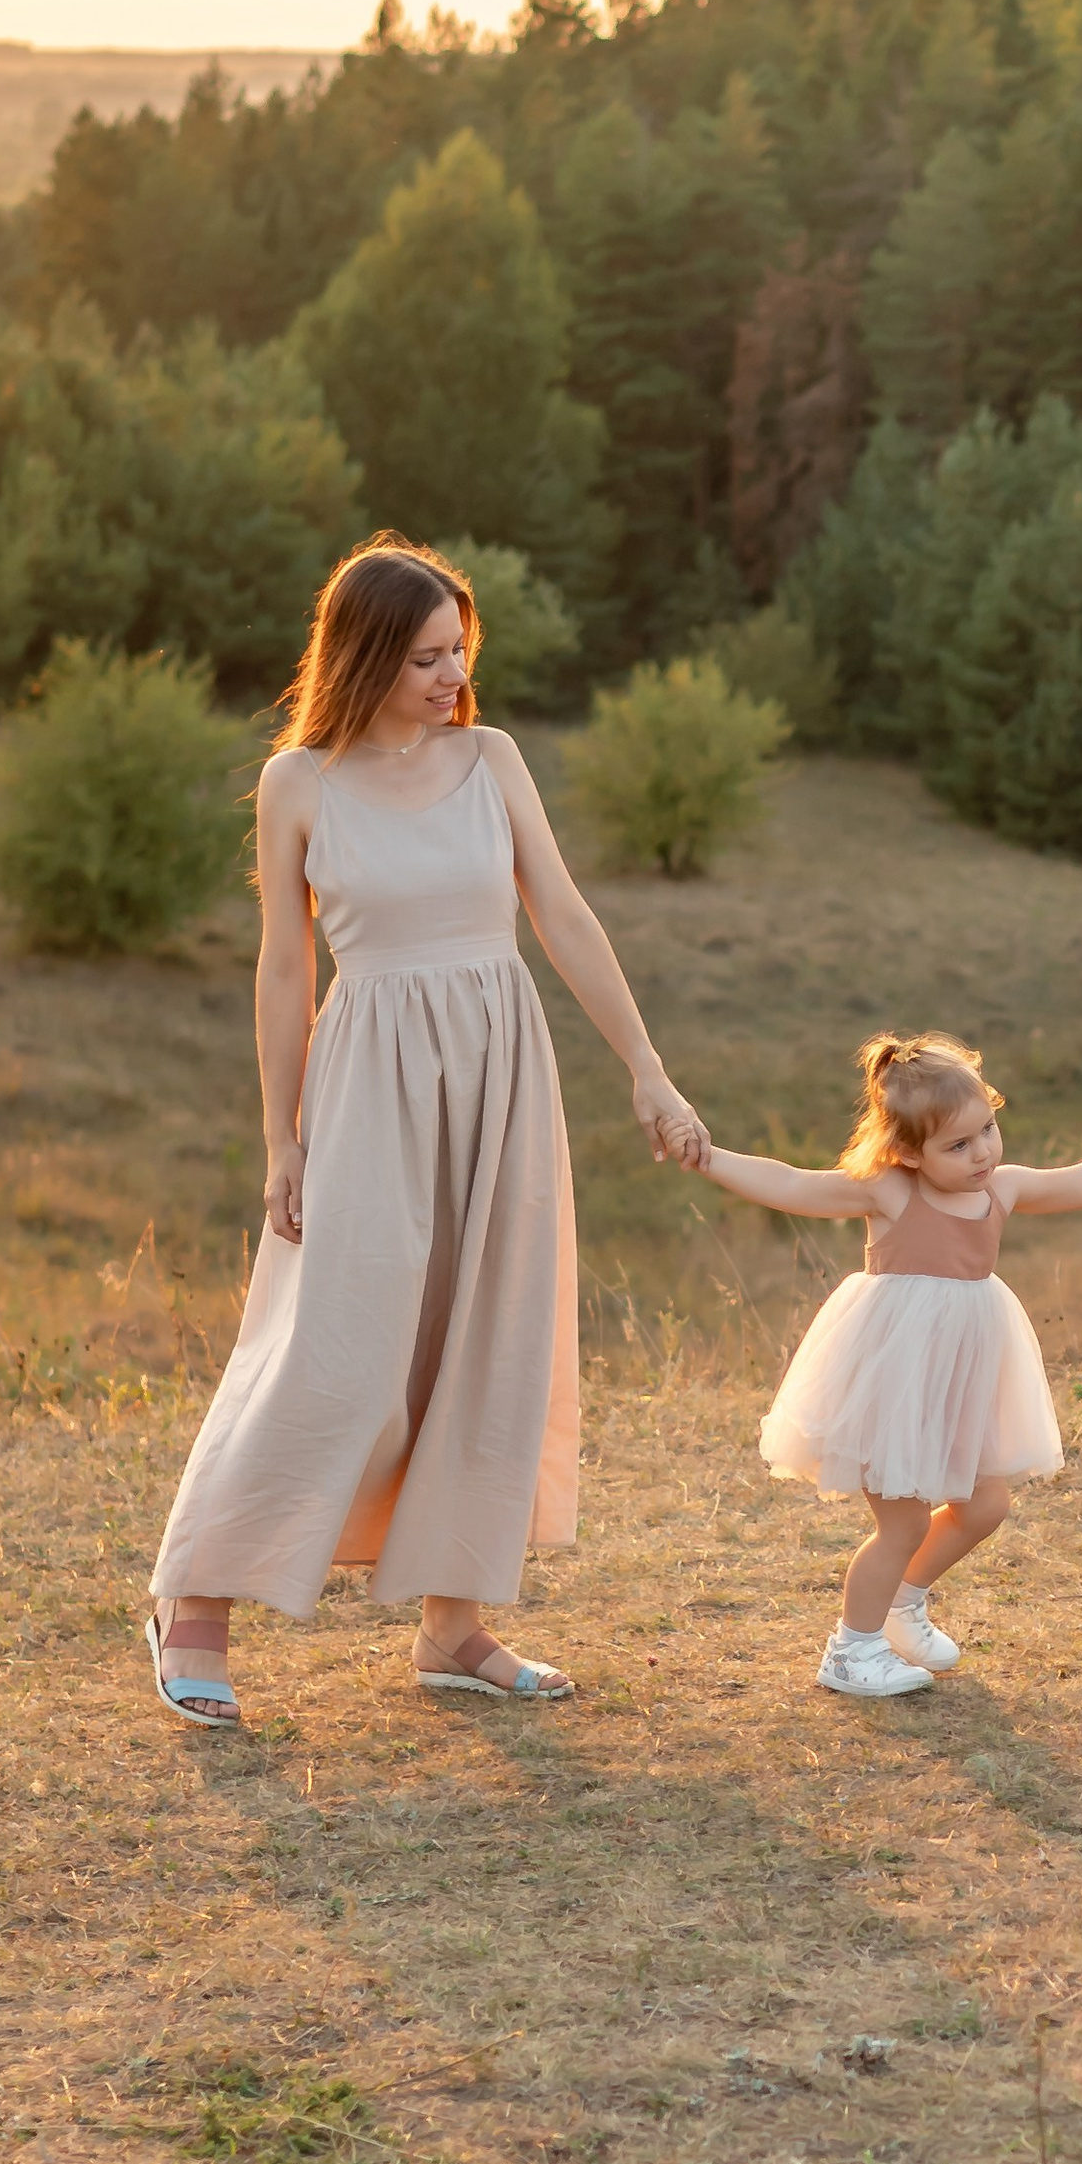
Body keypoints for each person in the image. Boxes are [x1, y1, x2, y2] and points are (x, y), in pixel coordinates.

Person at [145, 535, 707, 1728]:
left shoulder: (490, 759)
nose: (451, 676)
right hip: (370, 1082)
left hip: (502, 1069)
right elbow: (284, 967)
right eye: (424, 657)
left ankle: (452, 1629)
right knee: (331, 1349)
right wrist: (280, 1140)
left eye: (460, 651)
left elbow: (560, 913)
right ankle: (193, 1601)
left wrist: (647, 1070)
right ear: (360, 656)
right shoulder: (299, 783)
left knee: (489, 1342)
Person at [690, 1031, 1082, 1697]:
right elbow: (790, 1183)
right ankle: (850, 1650)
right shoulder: (890, 1192)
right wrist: (708, 1158)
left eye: (989, 1130)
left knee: (985, 1503)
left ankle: (902, 1604)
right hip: (895, 1378)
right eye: (959, 1145)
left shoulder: (1002, 1189)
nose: (983, 1153)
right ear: (909, 1150)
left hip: (959, 1380)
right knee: (904, 1520)